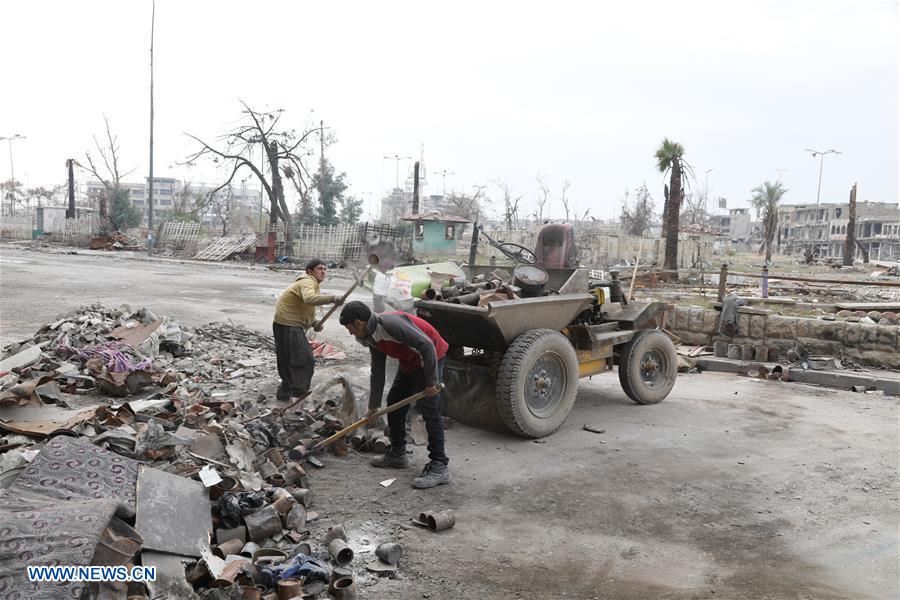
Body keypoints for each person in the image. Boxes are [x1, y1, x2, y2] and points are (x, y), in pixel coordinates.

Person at [339, 300, 450, 489]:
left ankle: (440, 465)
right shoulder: (371, 337)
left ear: (358, 323)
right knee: (394, 401)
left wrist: (431, 382)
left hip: (430, 357)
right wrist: (373, 406)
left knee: (429, 409)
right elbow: (377, 371)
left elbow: (427, 346)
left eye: (350, 329)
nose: (351, 333)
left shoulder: (390, 325)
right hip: (410, 362)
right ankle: (398, 453)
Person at [273, 259, 341, 402]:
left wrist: (314, 322)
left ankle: (284, 393)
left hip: (284, 323)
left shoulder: (310, 283)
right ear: (310, 271)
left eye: (325, 269)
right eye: (319, 268)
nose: (323, 271)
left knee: (289, 359)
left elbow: (304, 309)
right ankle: (298, 396)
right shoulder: (307, 281)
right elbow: (309, 299)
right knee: (304, 359)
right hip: (289, 324)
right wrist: (333, 298)